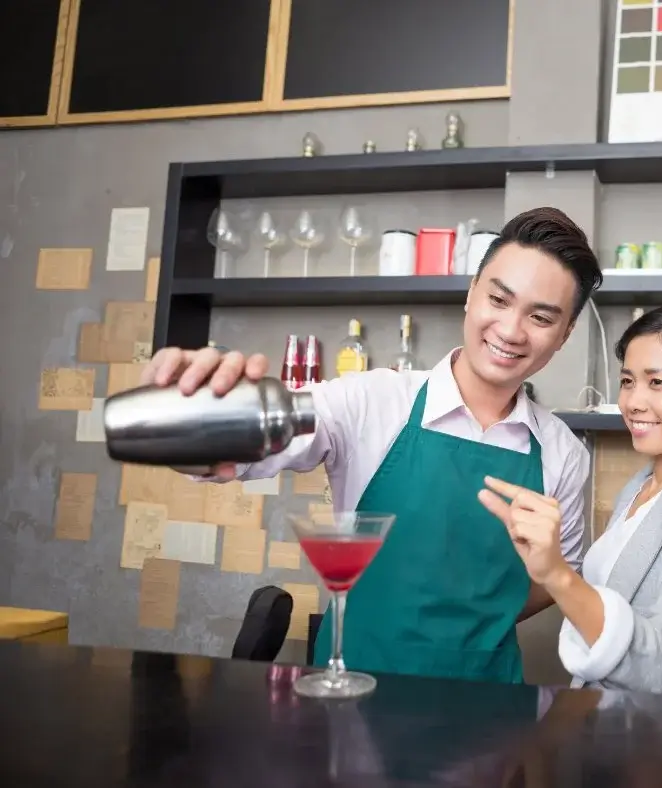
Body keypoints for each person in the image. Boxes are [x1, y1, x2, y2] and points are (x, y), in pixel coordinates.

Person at [141, 206, 603, 685]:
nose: (510, 330)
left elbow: (556, 574)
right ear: (471, 294)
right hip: (352, 692)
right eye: (499, 299)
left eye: (541, 317)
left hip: (489, 703)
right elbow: (236, 445)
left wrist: (470, 626)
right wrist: (184, 414)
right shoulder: (368, 400)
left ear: (564, 335)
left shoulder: (562, 453)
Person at [479, 304, 662, 696]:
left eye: (657, 383)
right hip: (606, 732)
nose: (633, 402)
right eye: (628, 381)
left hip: (660, 747)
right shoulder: (639, 488)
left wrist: (557, 575)